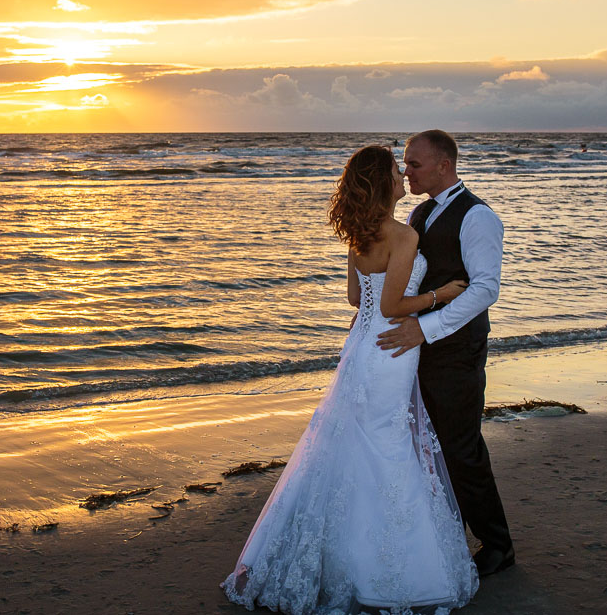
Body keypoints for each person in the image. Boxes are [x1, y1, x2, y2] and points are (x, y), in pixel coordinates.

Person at [220, 145, 478, 614]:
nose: (404, 178)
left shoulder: (358, 234)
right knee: (388, 444)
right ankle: (385, 567)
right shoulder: (402, 236)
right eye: (397, 174)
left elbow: (354, 298)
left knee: (350, 444)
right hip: (392, 347)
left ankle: (341, 554)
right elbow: (389, 307)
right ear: (384, 184)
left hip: (362, 349)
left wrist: (389, 304)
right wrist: (440, 294)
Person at [376, 130, 515, 577]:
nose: (405, 170)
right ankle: (445, 536)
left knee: (461, 447)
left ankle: (497, 546)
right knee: (425, 446)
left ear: (443, 165)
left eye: (414, 164)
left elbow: (484, 289)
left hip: (456, 350)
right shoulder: (419, 212)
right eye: (404, 163)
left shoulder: (477, 217)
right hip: (417, 350)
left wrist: (426, 327)